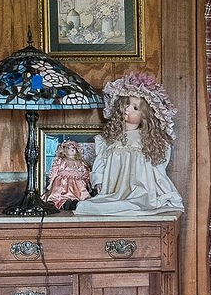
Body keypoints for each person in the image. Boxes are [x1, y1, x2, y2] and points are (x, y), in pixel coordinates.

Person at [75, 72, 184, 217]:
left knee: (139, 200)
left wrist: (161, 188)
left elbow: (157, 169)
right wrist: (98, 181)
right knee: (88, 205)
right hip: (113, 190)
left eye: (135, 108)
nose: (127, 109)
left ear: (145, 116)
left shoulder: (147, 139)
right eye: (126, 104)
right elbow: (100, 162)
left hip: (140, 189)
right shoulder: (109, 139)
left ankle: (134, 202)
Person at [44, 139, 92, 212]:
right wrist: (50, 183)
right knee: (61, 196)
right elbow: (54, 172)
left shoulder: (81, 162)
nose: (72, 150)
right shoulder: (61, 161)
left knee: (81, 195)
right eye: (69, 148)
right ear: (64, 151)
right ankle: (64, 204)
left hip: (78, 184)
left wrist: (88, 184)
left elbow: (85, 173)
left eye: (73, 148)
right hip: (63, 183)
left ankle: (76, 203)